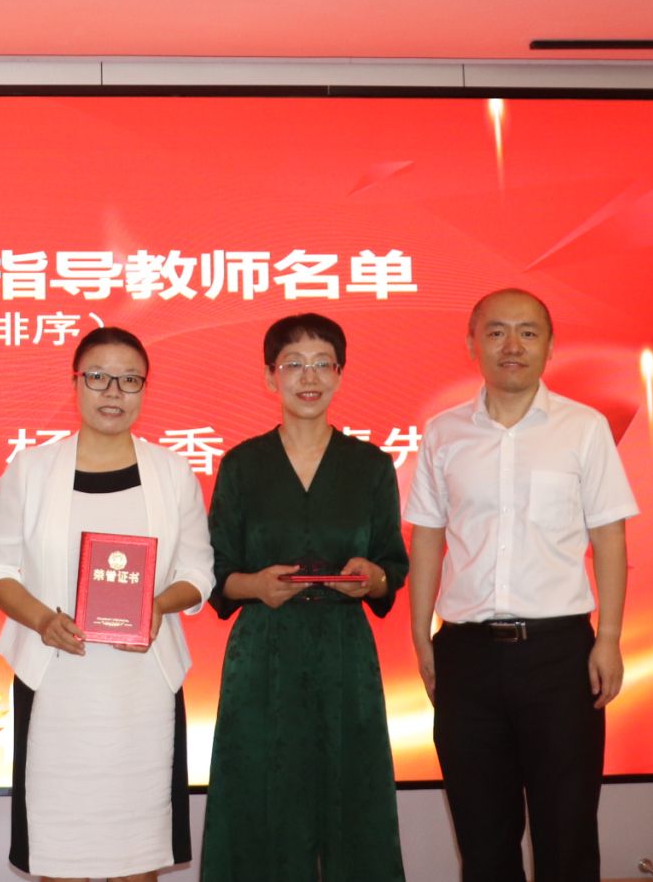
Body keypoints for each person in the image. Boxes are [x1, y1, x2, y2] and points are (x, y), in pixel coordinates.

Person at [405, 288, 638, 882]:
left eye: (528, 332)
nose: (513, 345)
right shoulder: (443, 433)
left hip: (560, 656)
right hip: (467, 656)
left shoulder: (583, 428)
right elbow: (427, 537)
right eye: (496, 332)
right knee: (484, 839)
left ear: (550, 346)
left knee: (567, 833)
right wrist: (422, 636)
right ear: (472, 344)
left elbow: (609, 536)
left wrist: (609, 637)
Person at [0, 326, 215, 882]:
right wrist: (42, 620)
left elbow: (199, 573)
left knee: (137, 852)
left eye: (129, 380)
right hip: (56, 682)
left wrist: (159, 605)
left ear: (145, 388)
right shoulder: (32, 469)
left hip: (143, 688)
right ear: (76, 383)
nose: (113, 392)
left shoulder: (172, 471)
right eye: (98, 377)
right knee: (60, 851)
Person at [200, 313, 410, 881]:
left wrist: (372, 577)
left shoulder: (371, 465)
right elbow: (216, 570)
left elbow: (393, 565)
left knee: (353, 799)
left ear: (340, 374)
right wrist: (255, 586)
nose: (308, 377)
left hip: (346, 654)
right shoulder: (242, 464)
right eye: (293, 364)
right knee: (260, 799)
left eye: (322, 364)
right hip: (263, 652)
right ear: (270, 376)